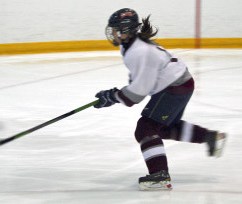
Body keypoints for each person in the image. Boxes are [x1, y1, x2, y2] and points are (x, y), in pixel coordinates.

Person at [94, 8, 227, 191]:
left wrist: (113, 96)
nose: (113, 34)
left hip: (174, 87)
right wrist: (116, 95)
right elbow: (139, 81)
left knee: (145, 128)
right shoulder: (130, 46)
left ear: (126, 31)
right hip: (180, 83)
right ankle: (209, 136)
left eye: (116, 29)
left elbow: (137, 94)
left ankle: (160, 175)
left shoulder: (138, 51)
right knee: (163, 128)